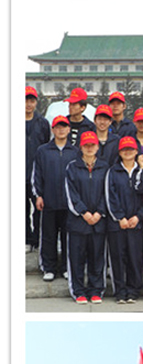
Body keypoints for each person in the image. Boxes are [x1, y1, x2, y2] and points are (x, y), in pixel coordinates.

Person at [65, 131, 110, 304]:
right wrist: (84, 212)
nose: (89, 148)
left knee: (97, 258)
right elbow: (71, 194)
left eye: (92, 145)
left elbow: (107, 193)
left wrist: (99, 212)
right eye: (86, 145)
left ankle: (96, 290)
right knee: (76, 259)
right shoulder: (72, 167)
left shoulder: (105, 167)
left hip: (99, 222)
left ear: (97, 147)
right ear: (81, 147)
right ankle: (78, 292)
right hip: (78, 222)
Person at [32, 115, 78, 282]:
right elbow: (37, 174)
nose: (61, 130)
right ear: (53, 129)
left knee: (68, 236)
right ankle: (48, 267)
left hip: (69, 203)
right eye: (57, 127)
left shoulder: (75, 151)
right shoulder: (43, 150)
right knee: (48, 236)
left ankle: (66, 267)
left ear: (68, 129)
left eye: (64, 127)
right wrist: (38, 195)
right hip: (49, 201)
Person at [105, 136, 143, 304]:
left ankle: (133, 291)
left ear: (136, 151)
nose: (128, 152)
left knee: (135, 257)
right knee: (118, 258)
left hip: (136, 224)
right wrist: (120, 217)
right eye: (124, 149)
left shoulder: (142, 171)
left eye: (131, 149)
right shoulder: (112, 172)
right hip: (118, 224)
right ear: (119, 152)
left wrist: (138, 216)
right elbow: (110, 196)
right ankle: (120, 291)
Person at [25, 86, 50, 251]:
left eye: (32, 101)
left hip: (36, 175)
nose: (28, 104)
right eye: (25, 100)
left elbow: (46, 146)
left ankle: (37, 239)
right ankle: (26, 239)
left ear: (36, 102)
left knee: (39, 209)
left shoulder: (42, 123)